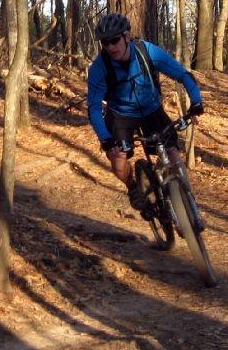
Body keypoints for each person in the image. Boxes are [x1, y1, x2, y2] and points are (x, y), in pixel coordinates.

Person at [87, 13, 204, 217]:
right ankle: (133, 186)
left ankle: (188, 206)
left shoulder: (146, 51)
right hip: (120, 114)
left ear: (126, 36)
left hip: (151, 109)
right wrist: (105, 139)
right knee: (118, 160)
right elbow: (94, 108)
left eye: (114, 40)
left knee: (173, 155)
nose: (110, 47)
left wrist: (196, 101)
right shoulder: (100, 68)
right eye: (105, 43)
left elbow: (183, 74)